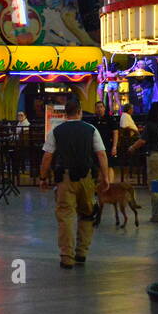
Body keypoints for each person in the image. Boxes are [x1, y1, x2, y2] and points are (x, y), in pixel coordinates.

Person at [38, 96, 109, 269]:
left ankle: (66, 257)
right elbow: (101, 154)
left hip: (65, 179)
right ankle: (81, 252)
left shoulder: (56, 131)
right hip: (87, 178)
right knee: (87, 214)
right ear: (79, 112)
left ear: (65, 114)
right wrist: (105, 176)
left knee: (66, 216)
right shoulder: (91, 129)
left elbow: (47, 156)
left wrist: (43, 177)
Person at [91, 101, 119, 182]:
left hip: (108, 146)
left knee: (109, 166)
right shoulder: (93, 120)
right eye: (97, 107)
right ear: (95, 109)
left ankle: (110, 186)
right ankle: (101, 187)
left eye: (101, 107)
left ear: (104, 108)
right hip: (97, 147)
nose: (99, 109)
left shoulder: (110, 119)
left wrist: (114, 146)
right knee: (99, 166)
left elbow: (115, 132)